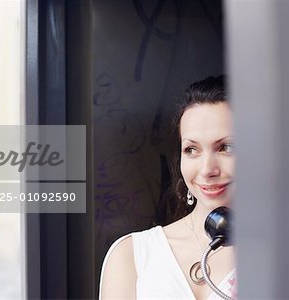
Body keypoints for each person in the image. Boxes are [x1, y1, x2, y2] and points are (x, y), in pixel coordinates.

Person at [99, 76, 237, 299]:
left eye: (226, 147)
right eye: (192, 150)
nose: (206, 170)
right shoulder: (132, 255)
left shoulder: (287, 256)